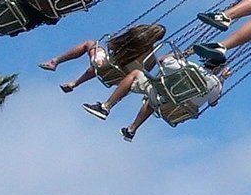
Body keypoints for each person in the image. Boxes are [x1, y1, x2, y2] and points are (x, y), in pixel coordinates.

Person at [85, 49, 228, 141]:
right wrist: (222, 79)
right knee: (158, 97)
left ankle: (106, 107)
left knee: (137, 75)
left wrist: (185, 54)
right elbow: (213, 103)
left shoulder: (188, 66)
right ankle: (131, 130)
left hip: (163, 97)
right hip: (176, 109)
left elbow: (162, 60)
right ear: (218, 68)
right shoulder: (216, 84)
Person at [41, 23, 166, 94]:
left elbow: (111, 44)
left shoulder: (133, 35)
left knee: (90, 44)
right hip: (120, 78)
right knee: (102, 67)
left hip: (106, 64)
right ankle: (74, 83)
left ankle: (55, 61)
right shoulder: (151, 55)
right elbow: (145, 70)